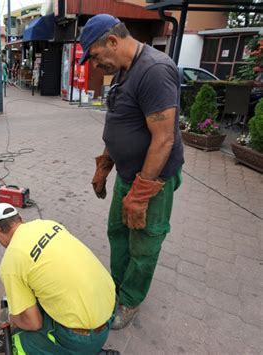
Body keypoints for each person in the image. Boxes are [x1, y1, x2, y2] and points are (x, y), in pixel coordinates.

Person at [79, 14, 184, 330]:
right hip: (127, 175)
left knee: (144, 244)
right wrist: (105, 166)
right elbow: (120, 123)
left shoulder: (155, 71)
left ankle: (130, 300)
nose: (95, 66)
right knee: (119, 234)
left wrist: (140, 195)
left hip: (153, 182)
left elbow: (164, 138)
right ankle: (116, 286)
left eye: (95, 57)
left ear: (112, 41)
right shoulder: (125, 72)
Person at [0, 203, 118, 354]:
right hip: (111, 308)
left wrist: (13, 319)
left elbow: (34, 323)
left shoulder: (11, 261)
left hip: (83, 339)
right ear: (20, 219)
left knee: (17, 343)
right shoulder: (48, 224)